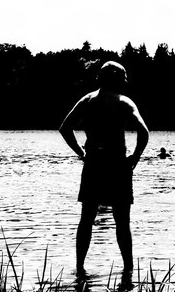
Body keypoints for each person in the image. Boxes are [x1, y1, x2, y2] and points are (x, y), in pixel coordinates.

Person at [59, 61, 149, 279]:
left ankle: (80, 269)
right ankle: (128, 271)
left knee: (87, 219)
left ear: (100, 78)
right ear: (119, 80)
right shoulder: (125, 103)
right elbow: (144, 131)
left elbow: (64, 128)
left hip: (94, 163)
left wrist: (81, 153)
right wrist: (134, 158)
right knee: (122, 222)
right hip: (118, 164)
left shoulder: (87, 101)